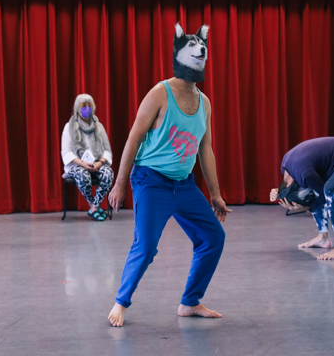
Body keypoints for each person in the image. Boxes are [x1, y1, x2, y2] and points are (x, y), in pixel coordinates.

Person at [107, 23, 231, 327]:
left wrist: (214, 194)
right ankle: (121, 302)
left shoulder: (205, 103)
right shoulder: (159, 93)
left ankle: (190, 302)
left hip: (185, 186)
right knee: (146, 245)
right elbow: (133, 139)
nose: (200, 54)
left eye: (203, 51)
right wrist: (120, 184)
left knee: (213, 236)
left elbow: (206, 150)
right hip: (151, 182)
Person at [269, 137, 334, 260]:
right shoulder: (286, 168)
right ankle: (323, 238)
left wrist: (306, 206)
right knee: (318, 190)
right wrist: (281, 193)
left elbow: (324, 195)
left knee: (331, 191)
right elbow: (291, 187)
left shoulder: (305, 174)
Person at [61, 94, 114, 221]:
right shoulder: (69, 127)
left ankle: (94, 207)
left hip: (96, 163)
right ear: (77, 108)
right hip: (77, 165)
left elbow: (107, 151)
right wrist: (83, 164)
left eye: (89, 105)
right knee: (82, 175)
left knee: (108, 173)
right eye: (83, 106)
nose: (87, 108)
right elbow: (67, 153)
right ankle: (94, 206)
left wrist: (100, 163)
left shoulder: (99, 126)